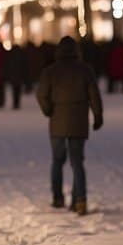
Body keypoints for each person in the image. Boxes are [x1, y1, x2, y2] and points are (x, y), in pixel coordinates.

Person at [36, 36, 103, 215]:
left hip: (58, 119)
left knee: (57, 161)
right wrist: (97, 116)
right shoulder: (85, 70)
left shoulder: (50, 71)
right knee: (77, 162)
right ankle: (80, 200)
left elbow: (41, 94)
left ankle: (58, 198)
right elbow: (94, 95)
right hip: (79, 120)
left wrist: (48, 110)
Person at [3, 38, 28, 109]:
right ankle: (17, 103)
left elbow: (7, 65)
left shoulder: (10, 54)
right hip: (19, 75)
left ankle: (15, 103)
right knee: (18, 90)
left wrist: (7, 74)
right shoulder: (22, 54)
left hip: (13, 75)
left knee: (14, 90)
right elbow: (24, 65)